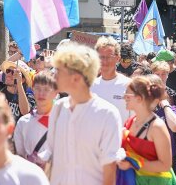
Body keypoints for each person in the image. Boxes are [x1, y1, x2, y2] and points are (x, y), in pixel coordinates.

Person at [42, 42, 122, 185]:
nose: (54, 76)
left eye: (59, 71)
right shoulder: (59, 107)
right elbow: (50, 156)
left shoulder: (107, 114)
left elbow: (109, 170)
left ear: (76, 77)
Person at [117, 76, 176, 184]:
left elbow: (165, 165)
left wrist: (134, 164)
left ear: (139, 98)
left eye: (127, 94)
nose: (124, 97)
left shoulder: (157, 127)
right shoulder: (130, 121)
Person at [13, 70, 58, 167]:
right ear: (32, 90)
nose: (41, 93)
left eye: (46, 89)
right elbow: (20, 155)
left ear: (55, 93)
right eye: (37, 88)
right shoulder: (23, 122)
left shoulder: (62, 121)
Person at [91, 36, 131, 123]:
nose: (105, 61)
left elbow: (135, 119)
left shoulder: (129, 85)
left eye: (109, 57)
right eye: (101, 57)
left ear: (118, 58)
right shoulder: (90, 86)